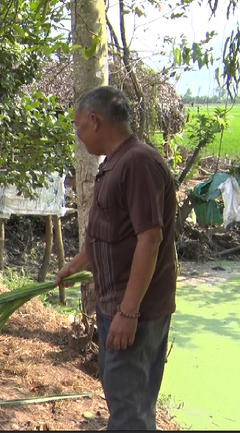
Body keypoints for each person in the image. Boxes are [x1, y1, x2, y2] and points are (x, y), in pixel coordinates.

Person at [56, 86, 178, 430]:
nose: (78, 135)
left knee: (129, 413)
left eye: (79, 126)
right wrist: (80, 261)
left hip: (134, 311)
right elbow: (115, 232)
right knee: (126, 402)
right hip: (117, 305)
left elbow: (149, 240)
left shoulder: (138, 163)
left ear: (95, 121)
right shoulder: (116, 162)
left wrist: (128, 311)